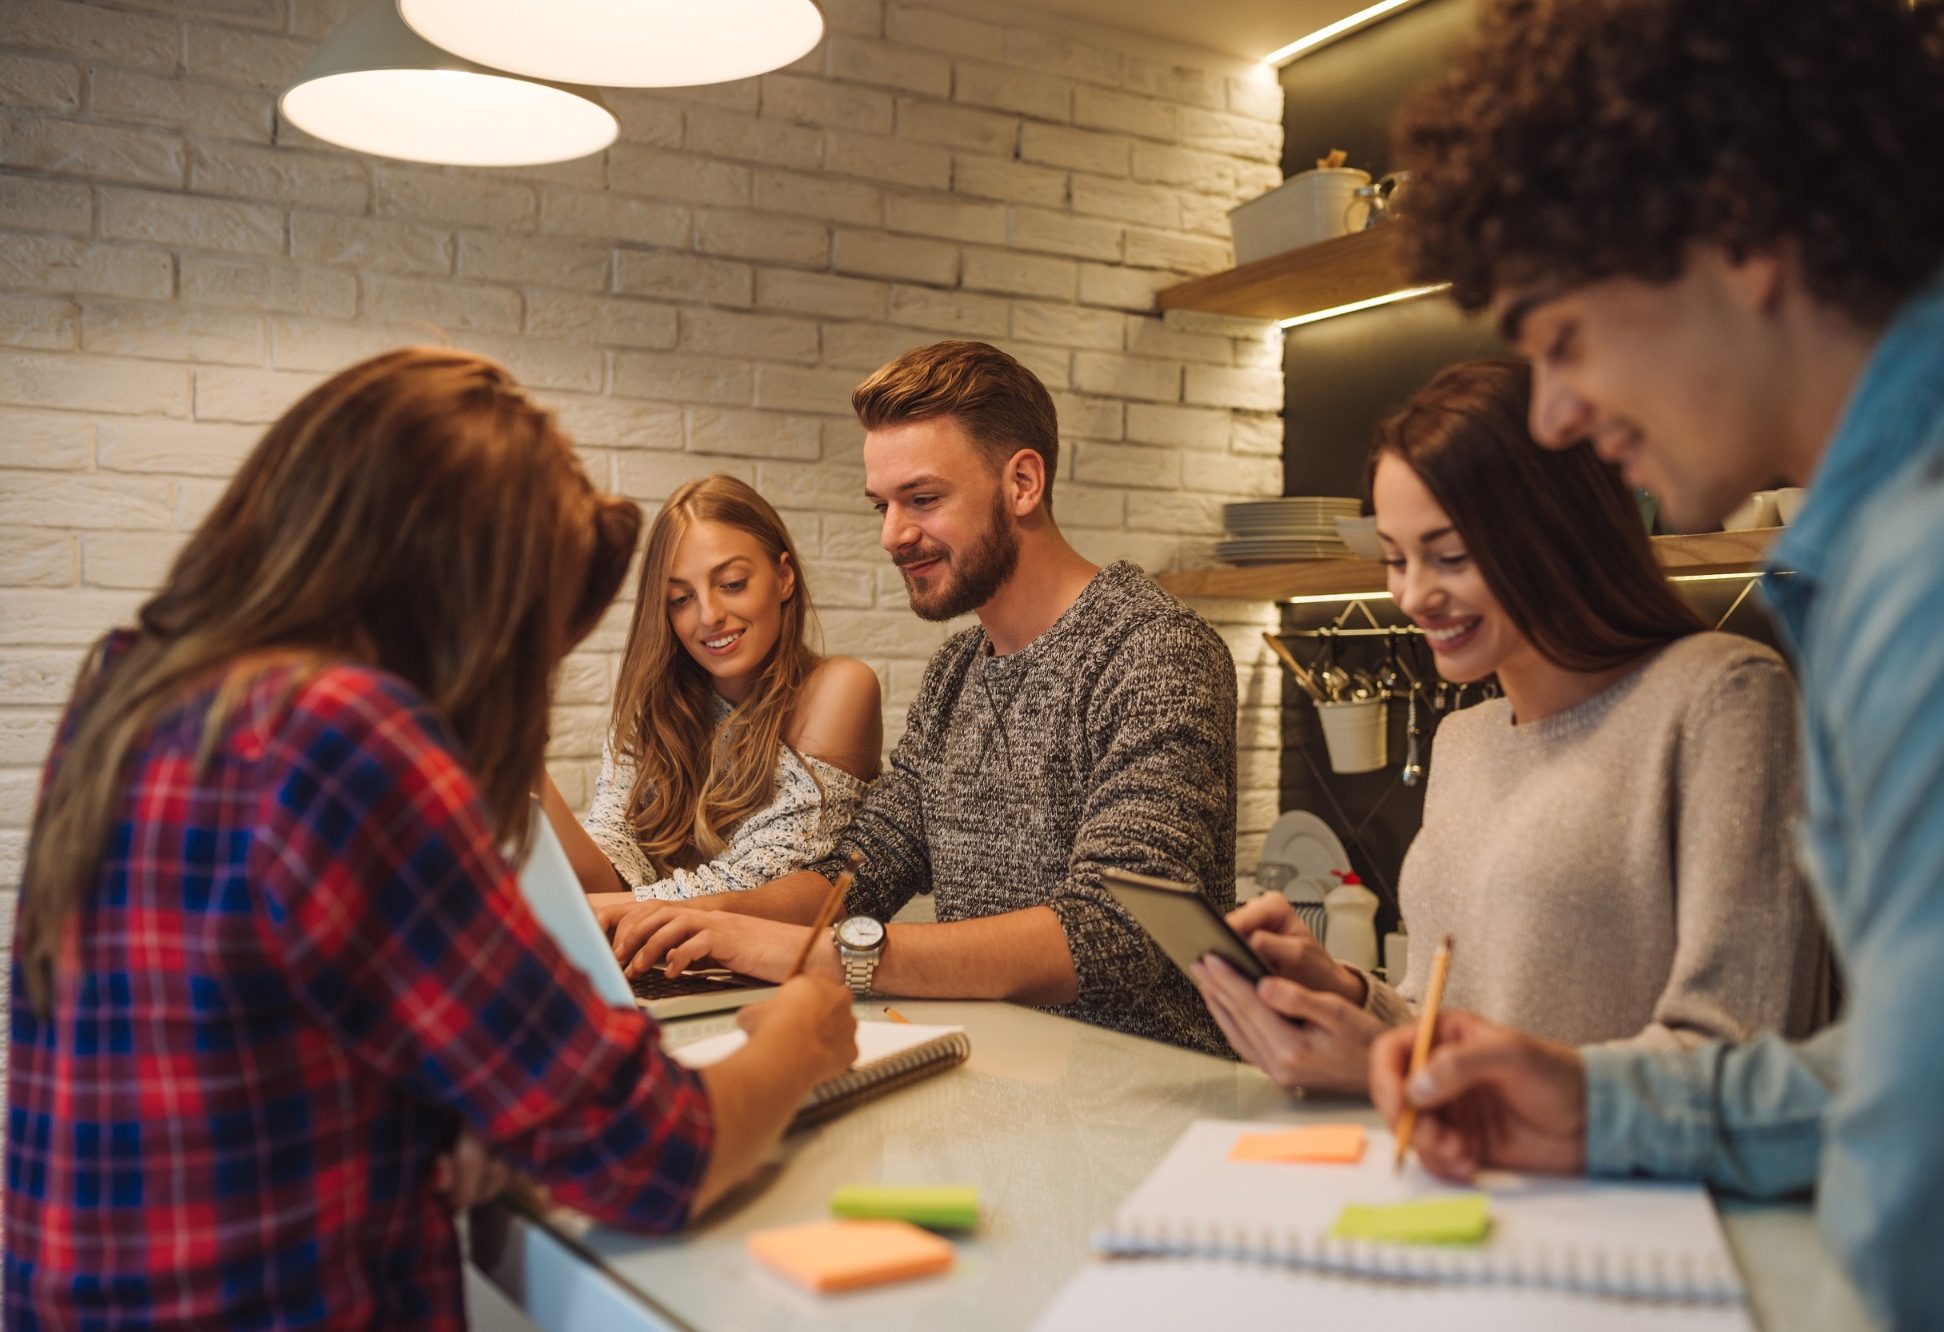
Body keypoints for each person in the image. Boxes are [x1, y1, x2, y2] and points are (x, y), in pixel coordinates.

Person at [1358, 3, 1944, 1327]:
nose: (1554, 413)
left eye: (1564, 334)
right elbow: (1922, 1078)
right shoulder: (1898, 537)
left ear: (1740, 227)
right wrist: (1598, 1103)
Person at [4, 349, 858, 1330]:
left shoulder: (127, 685)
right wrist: (796, 1042)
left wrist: (448, 1110)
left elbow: (261, 1029)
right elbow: (650, 1155)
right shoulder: (339, 736)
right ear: (450, 592)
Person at [1195, 359, 1825, 1095]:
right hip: (1472, 1183)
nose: (1412, 594)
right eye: (1395, 559)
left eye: (1450, 555)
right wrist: (1343, 992)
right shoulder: (1466, 739)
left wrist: (1390, 1068)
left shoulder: (1724, 697)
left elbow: (1740, 1053)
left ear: (1556, 530)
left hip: (1642, 1205)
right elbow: (1449, 1022)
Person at [595, 340, 1242, 1055]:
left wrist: (832, 956)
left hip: (1149, 1105)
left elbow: (1114, 929)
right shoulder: (955, 673)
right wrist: (674, 916)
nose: (893, 535)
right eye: (882, 505)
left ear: (1022, 482)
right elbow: (858, 873)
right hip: (1003, 1092)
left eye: (923, 500)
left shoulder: (1152, 651)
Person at [538, 473, 881, 900]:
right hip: (664, 964)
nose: (709, 615)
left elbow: (753, 884)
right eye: (681, 598)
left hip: (787, 967)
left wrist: (612, 909)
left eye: (732, 584)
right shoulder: (654, 709)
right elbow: (611, 860)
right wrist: (528, 762)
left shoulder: (840, 689)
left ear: (784, 577)